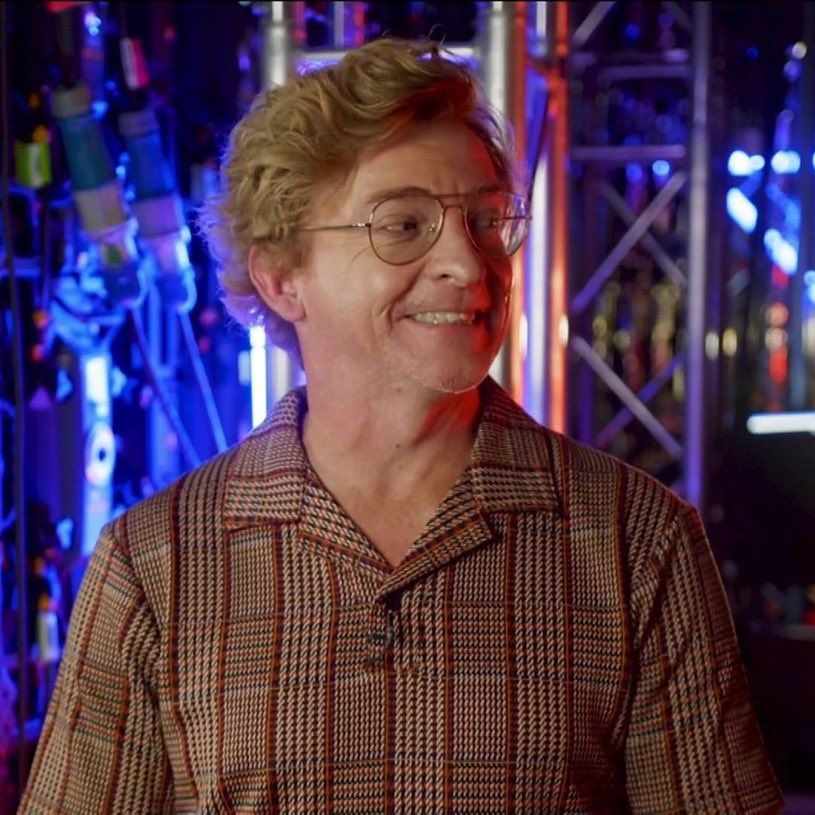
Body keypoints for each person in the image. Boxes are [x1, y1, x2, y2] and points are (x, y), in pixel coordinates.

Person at [21, 37, 783, 814]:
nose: (469, 263)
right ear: (281, 276)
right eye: (404, 224)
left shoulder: (635, 540)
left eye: (486, 220)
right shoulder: (157, 562)